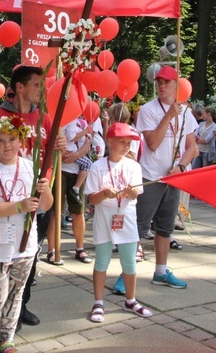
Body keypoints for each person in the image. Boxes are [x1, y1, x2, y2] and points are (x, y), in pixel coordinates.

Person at [0, 65, 65, 331]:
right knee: (2, 261)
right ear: (20, 87)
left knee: (29, 256)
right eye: (36, 85)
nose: (41, 90)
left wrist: (60, 148)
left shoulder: (45, 118)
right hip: (6, 205)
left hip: (38, 200)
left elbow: (54, 155)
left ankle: (20, 308)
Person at [0, 115, 53, 353]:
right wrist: (18, 206)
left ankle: (7, 338)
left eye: (11, 140)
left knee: (16, 295)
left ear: (21, 141)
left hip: (24, 246)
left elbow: (46, 205)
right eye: (0, 141)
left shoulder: (31, 168)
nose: (6, 146)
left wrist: (45, 189)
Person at [135, 66, 197, 290]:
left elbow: (192, 148)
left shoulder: (187, 113)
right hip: (151, 177)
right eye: (159, 82)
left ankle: (161, 271)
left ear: (176, 86)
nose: (161, 86)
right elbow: (152, 143)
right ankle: (127, 273)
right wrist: (169, 115)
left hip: (173, 179)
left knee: (165, 228)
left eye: (167, 82)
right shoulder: (148, 110)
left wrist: (181, 167)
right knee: (138, 229)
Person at [85, 123, 152, 323]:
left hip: (126, 218)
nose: (125, 146)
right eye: (121, 142)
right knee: (102, 261)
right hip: (104, 219)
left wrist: (130, 191)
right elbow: (91, 199)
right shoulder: (97, 166)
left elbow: (135, 194)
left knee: (129, 261)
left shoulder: (133, 166)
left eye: (129, 143)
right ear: (110, 141)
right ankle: (98, 302)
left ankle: (130, 299)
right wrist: (105, 193)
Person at [46, 115, 93, 265]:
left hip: (76, 171)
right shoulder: (58, 118)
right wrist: (64, 153)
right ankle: (52, 250)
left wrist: (76, 156)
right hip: (59, 169)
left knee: (78, 211)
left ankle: (80, 248)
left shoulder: (82, 121)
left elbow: (88, 144)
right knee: (55, 212)